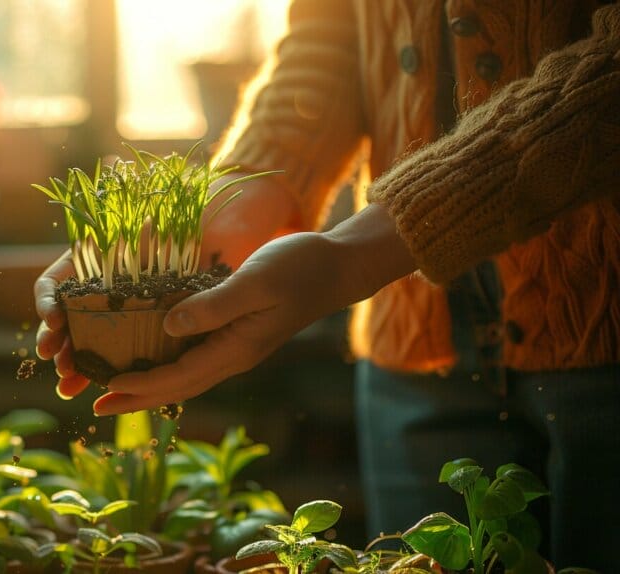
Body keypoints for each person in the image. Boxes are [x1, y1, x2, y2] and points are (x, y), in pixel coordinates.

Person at [34, 1, 620, 569]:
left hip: (603, 327)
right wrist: (251, 185)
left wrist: (354, 255)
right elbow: (333, 28)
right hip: (414, 337)